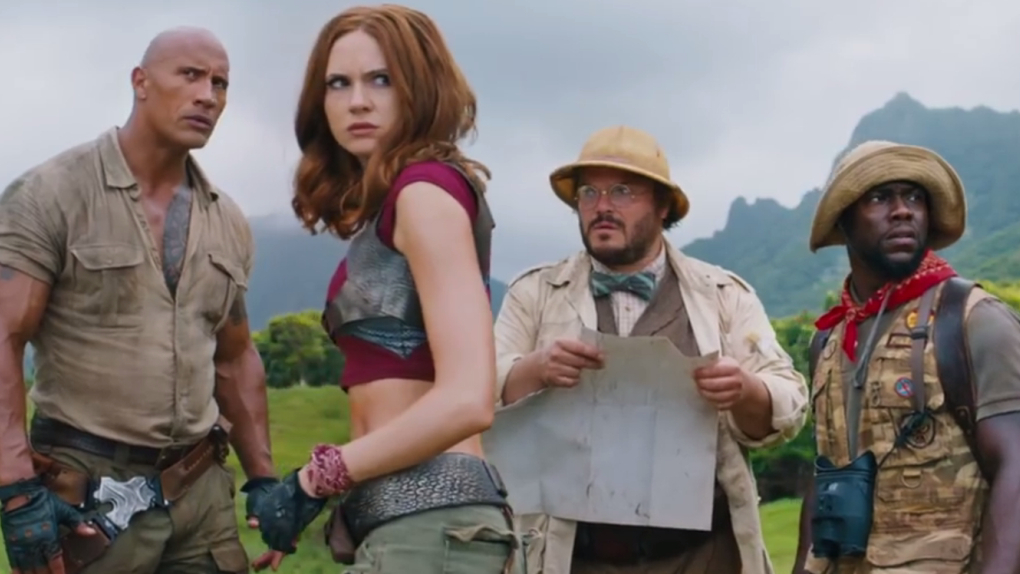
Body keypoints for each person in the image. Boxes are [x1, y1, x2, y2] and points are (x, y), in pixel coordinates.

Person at [249, 5, 522, 574]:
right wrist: (314, 501)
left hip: (435, 527)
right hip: (411, 527)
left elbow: (468, 398)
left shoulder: (424, 194)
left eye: (381, 79)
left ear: (421, 87)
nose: (357, 102)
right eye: (338, 83)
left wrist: (313, 480)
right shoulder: (399, 201)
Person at [0, 27, 279, 574]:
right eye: (191, 75)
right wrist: (15, 487)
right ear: (141, 82)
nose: (208, 96)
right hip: (91, 499)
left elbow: (235, 357)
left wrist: (265, 479)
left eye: (220, 83)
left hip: (201, 493)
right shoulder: (51, 194)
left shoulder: (227, 221)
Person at [493, 125, 809, 574]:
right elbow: (477, 396)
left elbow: (789, 402)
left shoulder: (723, 295)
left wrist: (744, 389)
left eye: (622, 191)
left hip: (703, 558)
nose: (602, 206)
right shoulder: (534, 293)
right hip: (574, 557)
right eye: (588, 192)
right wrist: (535, 369)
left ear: (662, 205)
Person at [792, 140, 1020, 574]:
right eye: (880, 198)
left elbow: (1017, 465)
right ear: (843, 218)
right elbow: (824, 475)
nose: (902, 211)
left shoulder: (971, 320)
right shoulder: (828, 341)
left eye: (914, 197)